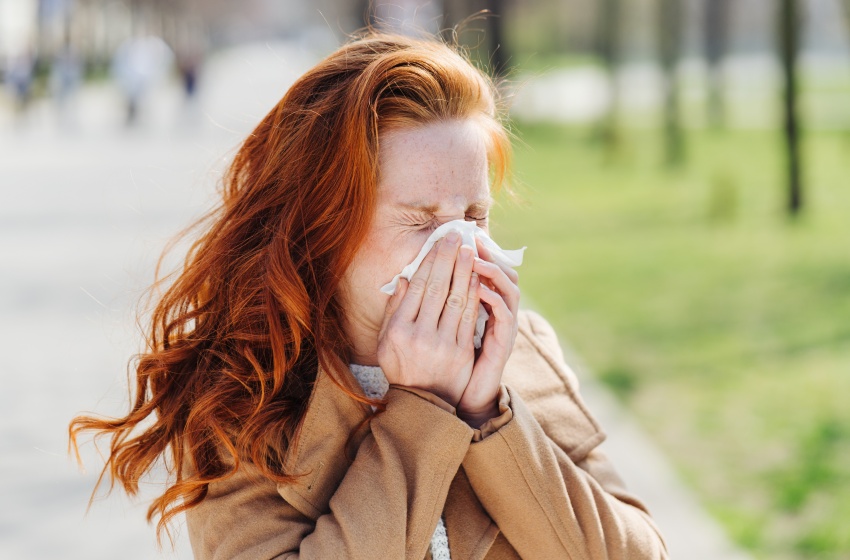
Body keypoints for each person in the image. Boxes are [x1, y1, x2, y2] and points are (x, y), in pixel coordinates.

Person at [70, 32, 668, 559]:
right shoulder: (245, 395)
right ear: (325, 226)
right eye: (420, 219)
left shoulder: (524, 354)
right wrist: (423, 409)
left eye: (475, 215)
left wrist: (488, 416)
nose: (460, 246)